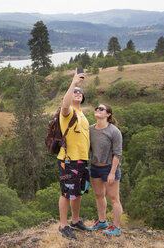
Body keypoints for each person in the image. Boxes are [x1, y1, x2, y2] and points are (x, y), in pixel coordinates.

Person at [58, 69, 90, 240]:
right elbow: (64, 105)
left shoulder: (82, 114)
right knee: (66, 192)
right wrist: (74, 83)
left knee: (77, 192)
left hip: (81, 159)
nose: (77, 93)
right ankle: (63, 226)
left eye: (80, 92)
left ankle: (75, 221)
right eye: (75, 92)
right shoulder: (67, 111)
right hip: (68, 159)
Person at [89, 104, 123, 236]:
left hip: (109, 167)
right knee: (99, 195)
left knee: (114, 198)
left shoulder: (114, 131)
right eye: (96, 108)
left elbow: (117, 154)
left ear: (108, 114)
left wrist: (112, 173)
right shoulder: (91, 129)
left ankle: (116, 228)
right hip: (95, 167)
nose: (98, 110)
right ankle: (102, 222)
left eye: (101, 109)